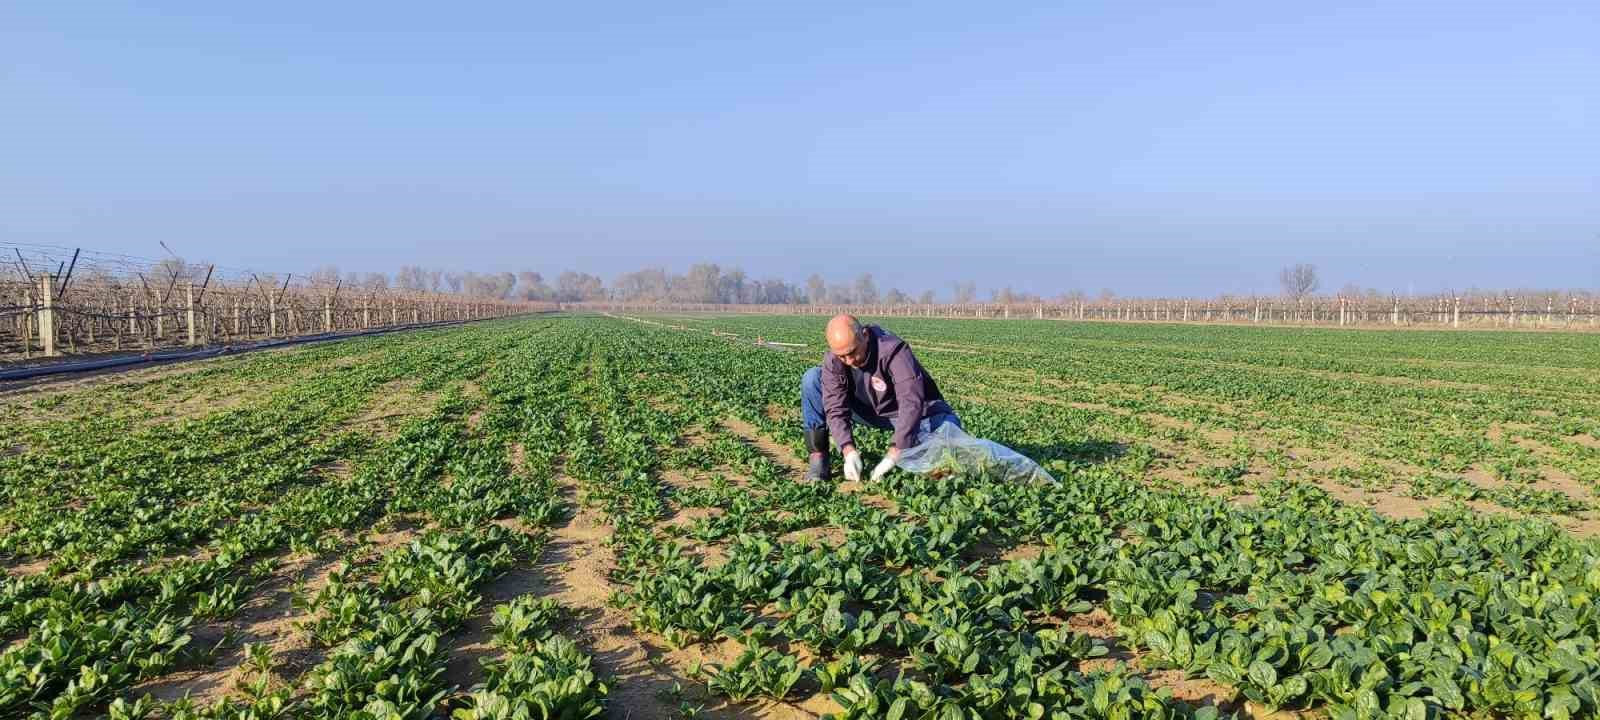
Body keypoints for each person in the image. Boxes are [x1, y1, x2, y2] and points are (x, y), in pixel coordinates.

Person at [800, 314, 961, 483]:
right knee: (812, 379)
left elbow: (911, 402)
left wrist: (895, 452)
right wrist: (848, 450)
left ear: (865, 335)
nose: (849, 361)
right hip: (865, 410)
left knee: (948, 427)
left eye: (852, 352)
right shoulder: (834, 359)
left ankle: (934, 464)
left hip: (904, 412)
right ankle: (818, 458)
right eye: (842, 356)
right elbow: (835, 407)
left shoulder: (893, 351)